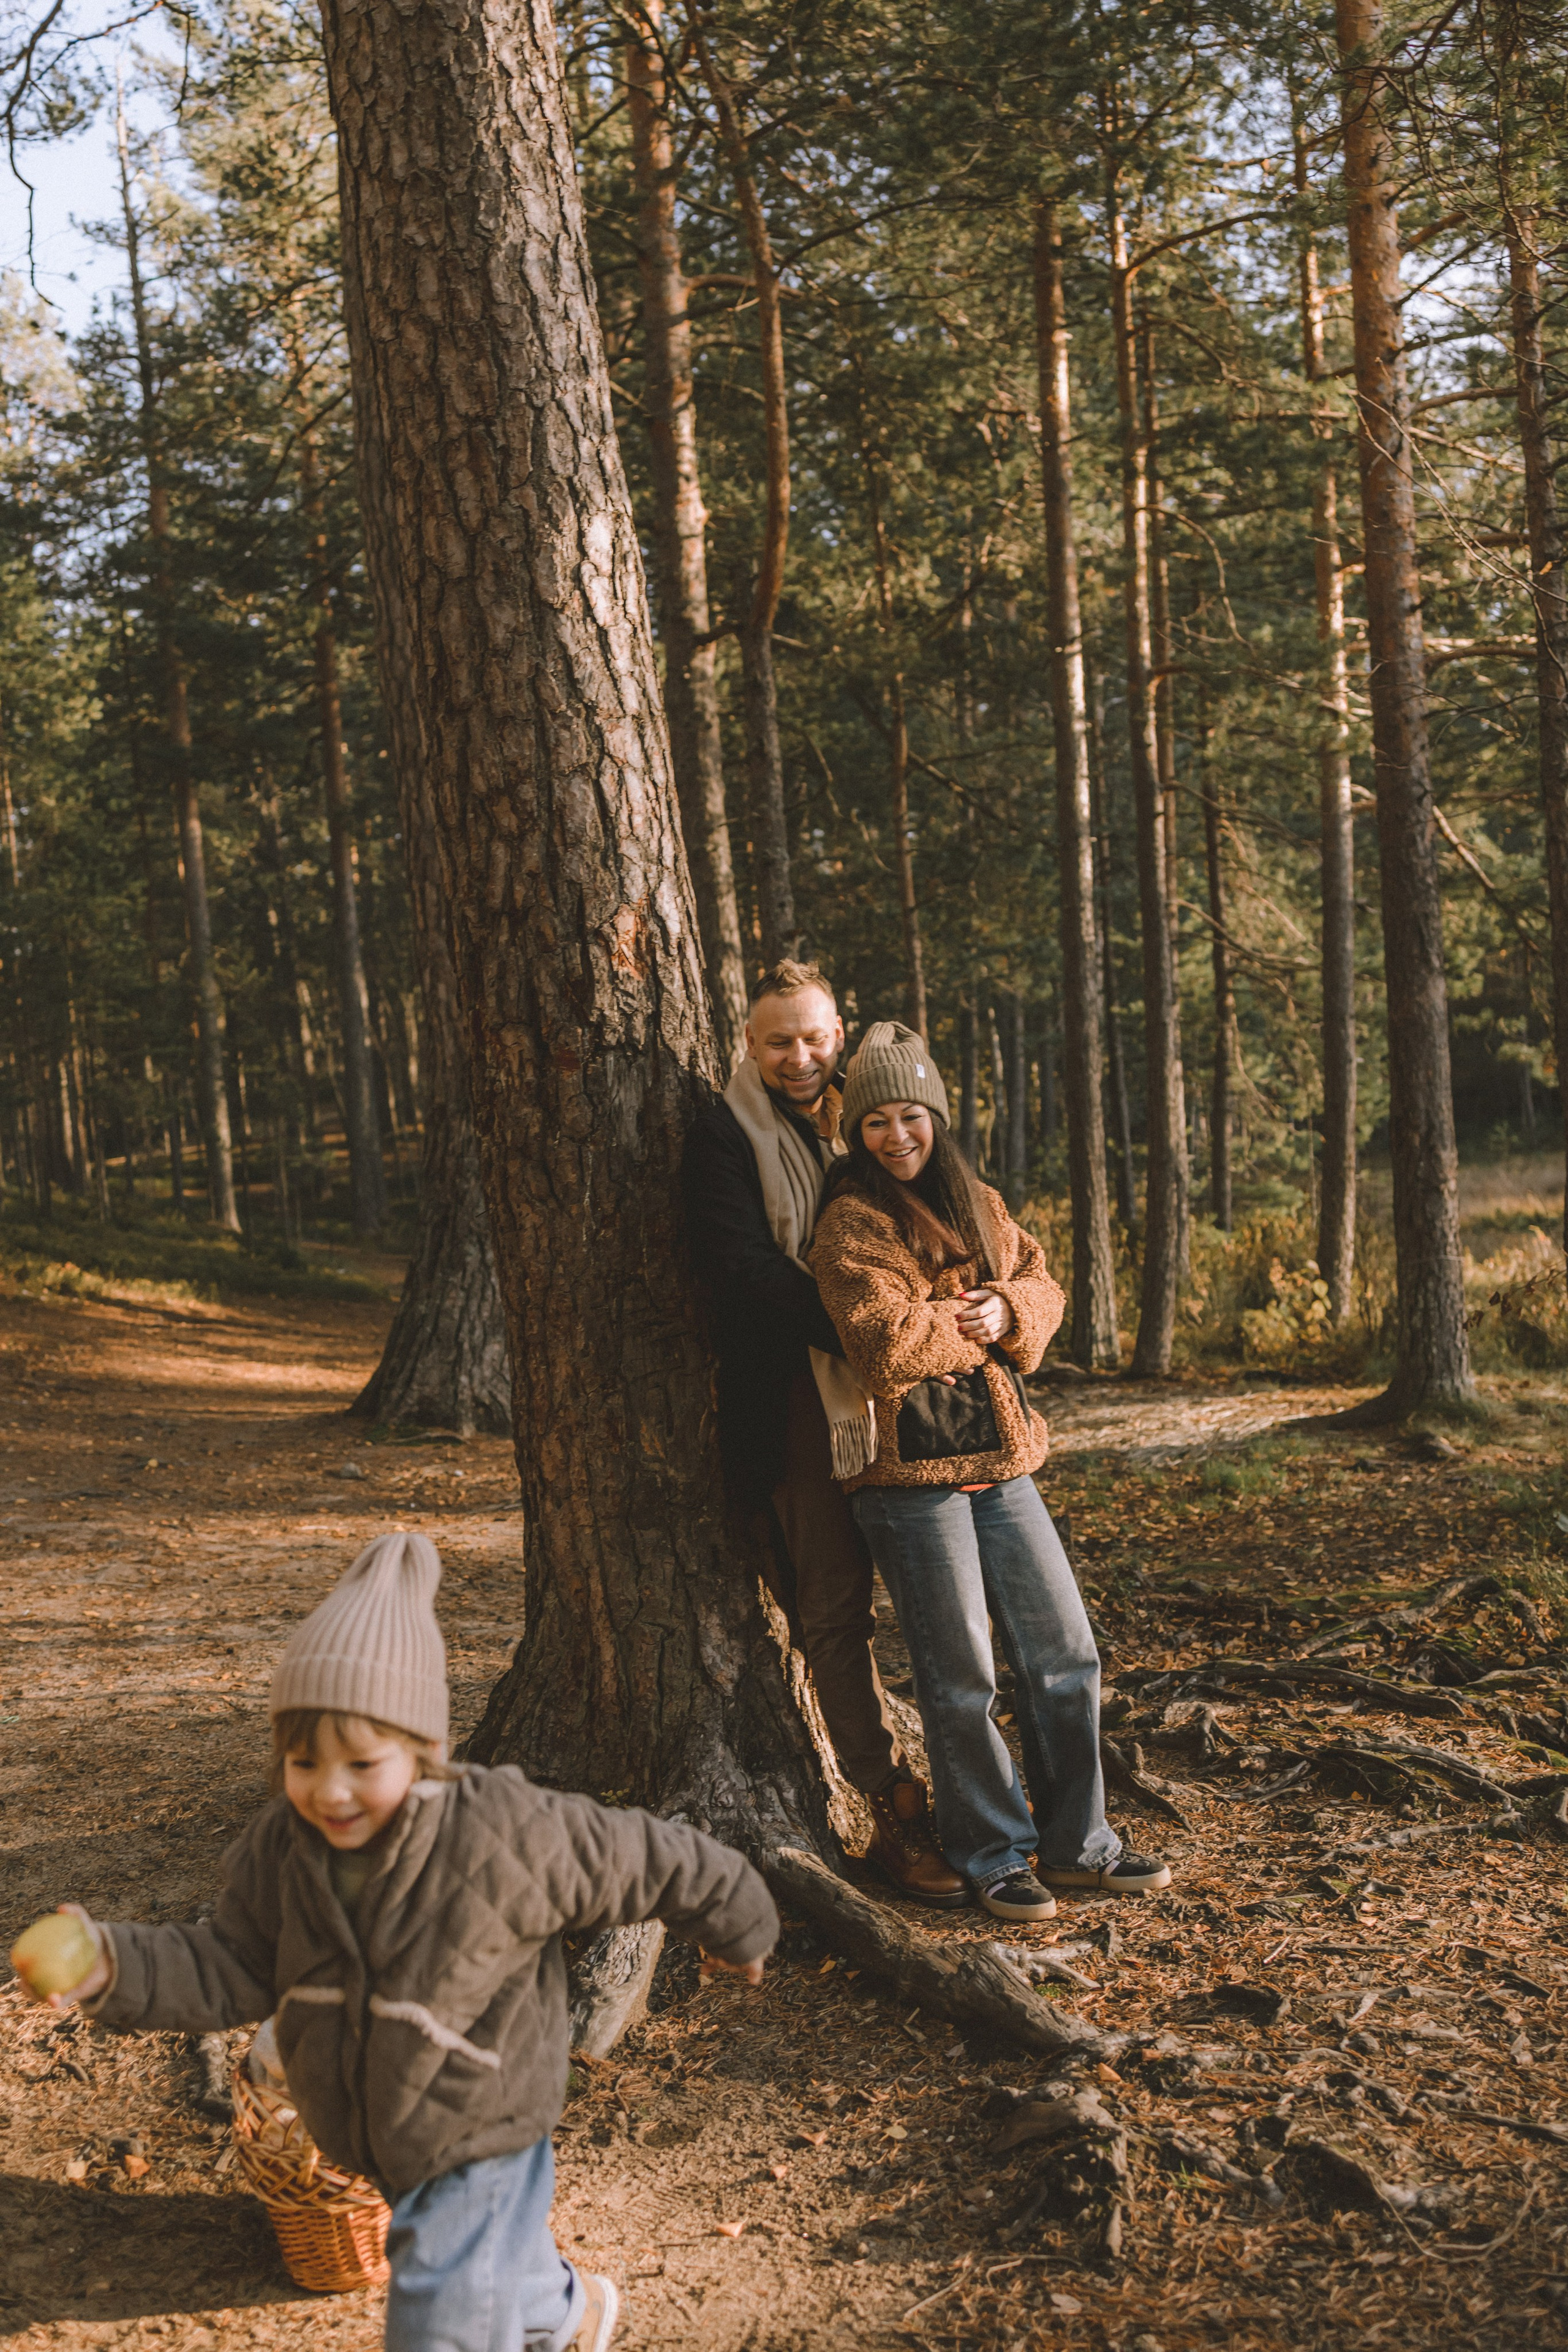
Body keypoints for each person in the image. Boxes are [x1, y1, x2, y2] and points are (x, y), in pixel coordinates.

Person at [20, 1531, 777, 2352]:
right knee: (496, 2260)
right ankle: (564, 2311)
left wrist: (738, 1920)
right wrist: (110, 1966)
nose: (330, 1790)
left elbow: (648, 1856)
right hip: (375, 2128)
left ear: (423, 1752)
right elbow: (231, 1962)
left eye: (362, 1763)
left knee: (441, 2307)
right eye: (304, 1762)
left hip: (476, 2121)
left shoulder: (503, 1834)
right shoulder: (283, 1851)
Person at [807, 1020, 1172, 1923]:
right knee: (960, 1674)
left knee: (1064, 1652)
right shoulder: (851, 1222)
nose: (898, 1137)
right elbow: (881, 1344)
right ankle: (992, 1852)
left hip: (1004, 1463)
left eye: (912, 1116)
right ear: (856, 1132)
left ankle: (1079, 1844)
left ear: (937, 1116)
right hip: (909, 1482)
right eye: (878, 1122)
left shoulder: (978, 1201)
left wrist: (1007, 1309)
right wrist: (965, 1325)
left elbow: (1044, 1287)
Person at [683, 960, 967, 1908]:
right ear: (749, 1044)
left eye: (812, 1037)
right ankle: (890, 1804)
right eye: (777, 1041)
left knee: (949, 1596)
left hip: (915, 1391)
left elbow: (956, 1222)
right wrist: (864, 1323)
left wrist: (964, 1319)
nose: (798, 1057)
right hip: (803, 1403)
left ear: (838, 1031)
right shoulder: (726, 1134)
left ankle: (983, 1798)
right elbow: (741, 1271)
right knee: (834, 1609)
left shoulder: (881, 1116)